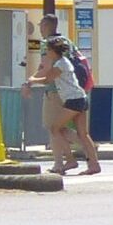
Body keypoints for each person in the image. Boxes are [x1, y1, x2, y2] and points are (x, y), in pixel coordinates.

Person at [34, 36, 104, 176]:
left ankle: (71, 160)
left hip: (74, 100)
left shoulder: (60, 64)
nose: (46, 52)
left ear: (54, 51)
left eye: (48, 50)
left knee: (55, 128)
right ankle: (93, 164)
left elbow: (47, 79)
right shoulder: (63, 61)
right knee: (82, 134)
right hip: (80, 97)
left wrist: (31, 80)